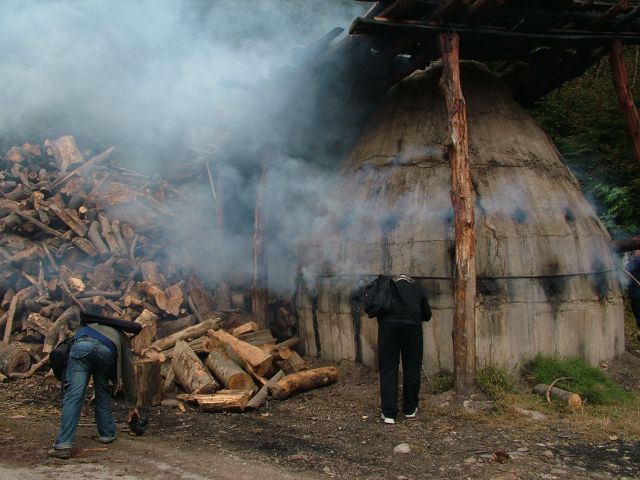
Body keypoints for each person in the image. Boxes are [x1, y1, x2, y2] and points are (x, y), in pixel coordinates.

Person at [48, 312, 138, 459]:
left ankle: (63, 445)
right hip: (106, 351)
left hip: (82, 347)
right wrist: (131, 406)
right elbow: (129, 373)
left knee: (74, 395)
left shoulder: (88, 325)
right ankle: (107, 434)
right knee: (103, 390)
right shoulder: (122, 336)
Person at [377, 274, 431, 424]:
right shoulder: (417, 288)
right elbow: (427, 315)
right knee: (412, 368)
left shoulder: (387, 287)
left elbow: (378, 308)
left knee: (388, 369)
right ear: (409, 280)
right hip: (412, 328)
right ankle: (410, 410)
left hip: (388, 328)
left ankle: (389, 414)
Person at [626, 251, 640, 337]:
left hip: (637, 297)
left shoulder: (638, 260)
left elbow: (627, 267)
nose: (634, 252)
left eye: (635, 250)